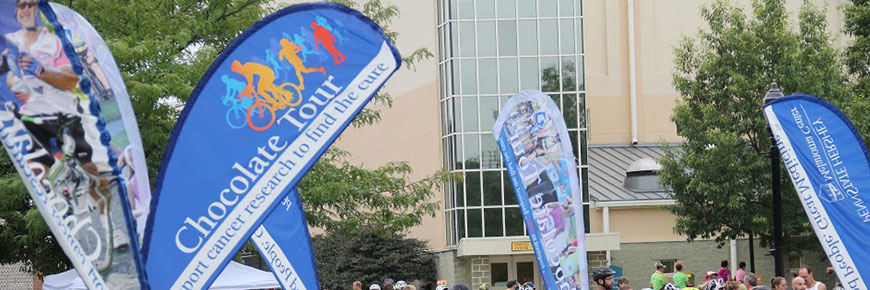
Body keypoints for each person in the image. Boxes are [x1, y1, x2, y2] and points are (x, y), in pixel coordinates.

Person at [4, 0, 127, 270]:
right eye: (20, 6)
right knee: (51, 173)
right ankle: (78, 211)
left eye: (29, 5)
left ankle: (117, 225)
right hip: (37, 119)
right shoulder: (10, 42)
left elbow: (73, 79)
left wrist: (41, 72)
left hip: (70, 113)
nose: (25, 10)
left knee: (98, 165)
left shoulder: (54, 41)